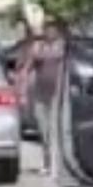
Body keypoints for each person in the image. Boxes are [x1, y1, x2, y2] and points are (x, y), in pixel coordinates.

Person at [18, 18, 65, 175]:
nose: (50, 32)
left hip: (59, 95)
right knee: (44, 131)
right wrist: (23, 92)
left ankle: (58, 164)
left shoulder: (64, 47)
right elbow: (26, 69)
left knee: (56, 131)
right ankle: (47, 163)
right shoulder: (38, 47)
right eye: (47, 29)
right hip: (40, 94)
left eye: (53, 28)